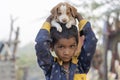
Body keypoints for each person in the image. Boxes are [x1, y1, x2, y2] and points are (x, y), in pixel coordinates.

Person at [35, 13, 98, 80]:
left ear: (77, 45)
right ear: (52, 46)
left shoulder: (81, 64)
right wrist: (48, 21)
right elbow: (41, 44)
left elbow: (92, 41)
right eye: (61, 47)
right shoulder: (50, 66)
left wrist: (79, 18)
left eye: (72, 46)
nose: (67, 52)